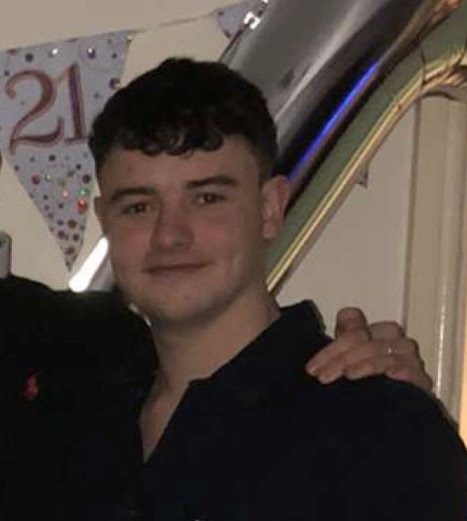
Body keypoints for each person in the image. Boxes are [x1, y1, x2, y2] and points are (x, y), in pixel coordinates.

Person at [0, 59, 458, 520]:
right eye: (138, 207)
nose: (170, 235)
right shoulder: (71, 407)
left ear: (269, 209)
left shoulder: (377, 429)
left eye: (206, 199)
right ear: (105, 222)